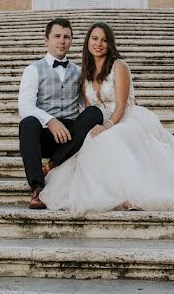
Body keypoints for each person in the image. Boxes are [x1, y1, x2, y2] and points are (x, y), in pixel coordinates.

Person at [39, 21, 174, 214]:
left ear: (110, 43)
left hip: (123, 118)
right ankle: (112, 192)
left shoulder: (118, 66)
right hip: (100, 121)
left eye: (104, 40)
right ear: (87, 42)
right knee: (92, 140)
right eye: (95, 39)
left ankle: (133, 195)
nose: (99, 44)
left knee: (111, 139)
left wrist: (107, 126)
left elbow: (122, 105)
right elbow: (88, 109)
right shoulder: (85, 74)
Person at [18, 18, 104, 210]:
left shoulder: (79, 72)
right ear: (46, 40)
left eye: (67, 37)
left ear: (71, 41)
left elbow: (86, 104)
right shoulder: (33, 70)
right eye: (57, 36)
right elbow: (24, 106)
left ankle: (53, 164)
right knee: (27, 123)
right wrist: (50, 121)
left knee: (94, 113)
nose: (62, 41)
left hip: (71, 136)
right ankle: (37, 187)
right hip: (46, 134)